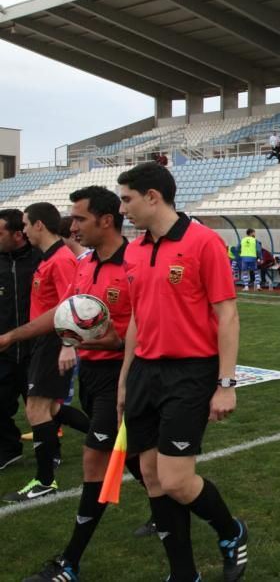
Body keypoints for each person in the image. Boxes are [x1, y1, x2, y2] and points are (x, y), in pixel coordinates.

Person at [115, 162, 247, 582]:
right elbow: (137, 316)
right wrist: (125, 376)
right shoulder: (134, 249)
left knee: (175, 479)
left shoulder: (203, 242)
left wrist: (225, 384)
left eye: (127, 199)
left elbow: (227, 315)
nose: (122, 209)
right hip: (145, 372)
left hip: (189, 373)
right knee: (152, 475)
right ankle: (184, 573)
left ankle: (231, 530)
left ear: (153, 196)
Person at [1, 187, 140, 580]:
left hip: (121, 374)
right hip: (93, 373)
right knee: (138, 462)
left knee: (94, 461)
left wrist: (85, 342)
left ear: (106, 220)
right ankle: (215, 525)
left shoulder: (135, 264)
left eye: (78, 219)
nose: (72, 226)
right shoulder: (83, 264)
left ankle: (68, 562)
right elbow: (65, 313)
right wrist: (13, 336)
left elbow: (142, 328)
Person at [1, 203, 84, 503]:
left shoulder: (60, 259)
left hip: (51, 342)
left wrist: (66, 345)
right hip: (42, 342)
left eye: (25, 224)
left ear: (38, 225)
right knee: (49, 410)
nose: (22, 230)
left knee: (36, 410)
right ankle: (108, 437)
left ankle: (45, 480)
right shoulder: (48, 258)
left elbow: (71, 307)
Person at [0, 209, 40, 473]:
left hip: (35, 350)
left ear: (18, 235)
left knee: (42, 411)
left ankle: (50, 453)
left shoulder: (41, 260)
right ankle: (8, 450)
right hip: (3, 350)